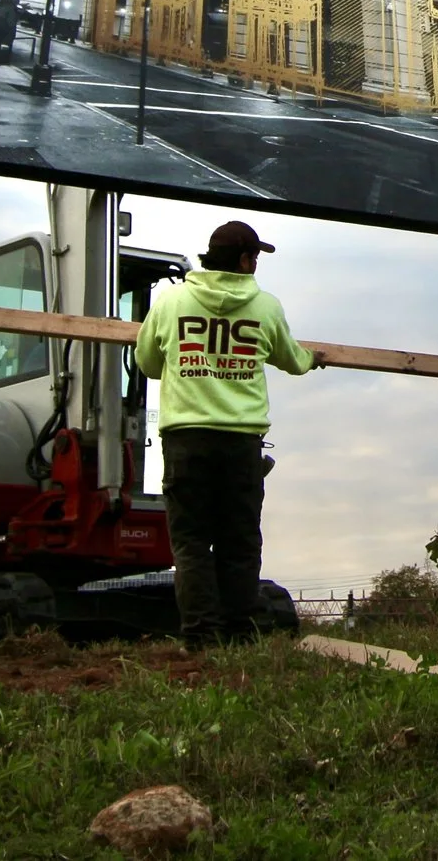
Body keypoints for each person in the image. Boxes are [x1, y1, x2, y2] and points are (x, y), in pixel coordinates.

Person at [132, 220, 316, 649]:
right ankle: (239, 637)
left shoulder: (171, 302)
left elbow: (148, 364)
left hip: (187, 440)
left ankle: (200, 639)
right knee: (240, 542)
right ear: (244, 260)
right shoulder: (265, 307)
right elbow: (293, 360)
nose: (257, 265)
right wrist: (313, 359)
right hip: (241, 443)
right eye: (255, 257)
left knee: (192, 542)